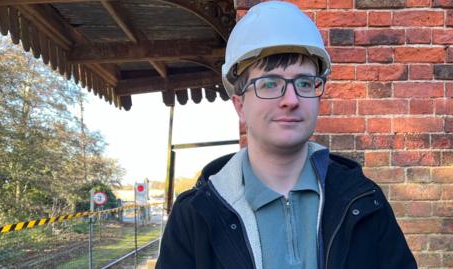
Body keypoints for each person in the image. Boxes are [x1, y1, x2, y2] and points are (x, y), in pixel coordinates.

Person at [156, 1, 417, 269]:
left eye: (304, 82)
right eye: (269, 83)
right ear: (239, 105)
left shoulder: (365, 202)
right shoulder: (195, 217)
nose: (290, 99)